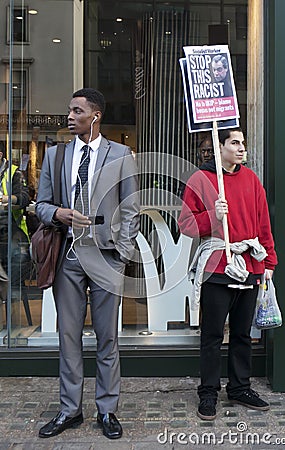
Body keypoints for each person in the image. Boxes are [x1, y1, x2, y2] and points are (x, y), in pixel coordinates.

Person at [36, 88, 140, 439]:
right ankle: (70, 410)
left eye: (77, 110)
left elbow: (130, 208)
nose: (69, 115)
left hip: (106, 256)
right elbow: (41, 205)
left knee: (108, 338)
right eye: (69, 109)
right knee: (68, 338)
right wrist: (58, 213)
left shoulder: (121, 154)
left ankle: (107, 411)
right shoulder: (54, 156)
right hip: (68, 256)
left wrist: (122, 254)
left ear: (95, 116)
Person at [178, 127, 277, 421]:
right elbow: (186, 225)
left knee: (243, 334)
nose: (241, 148)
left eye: (243, 143)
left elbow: (263, 225)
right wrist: (213, 216)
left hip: (248, 265)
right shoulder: (201, 179)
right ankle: (208, 392)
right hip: (216, 268)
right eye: (234, 142)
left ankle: (239, 387)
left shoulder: (251, 179)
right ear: (219, 146)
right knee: (211, 335)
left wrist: (268, 263)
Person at [0, 143, 30, 295]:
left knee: (20, 257)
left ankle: (10, 296)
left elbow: (25, 198)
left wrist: (8, 199)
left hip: (10, 228)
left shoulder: (13, 172)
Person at [177, 132, 214, 199]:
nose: (206, 155)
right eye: (203, 151)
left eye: (210, 151)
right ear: (198, 154)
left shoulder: (221, 175)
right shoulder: (187, 176)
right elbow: (179, 201)